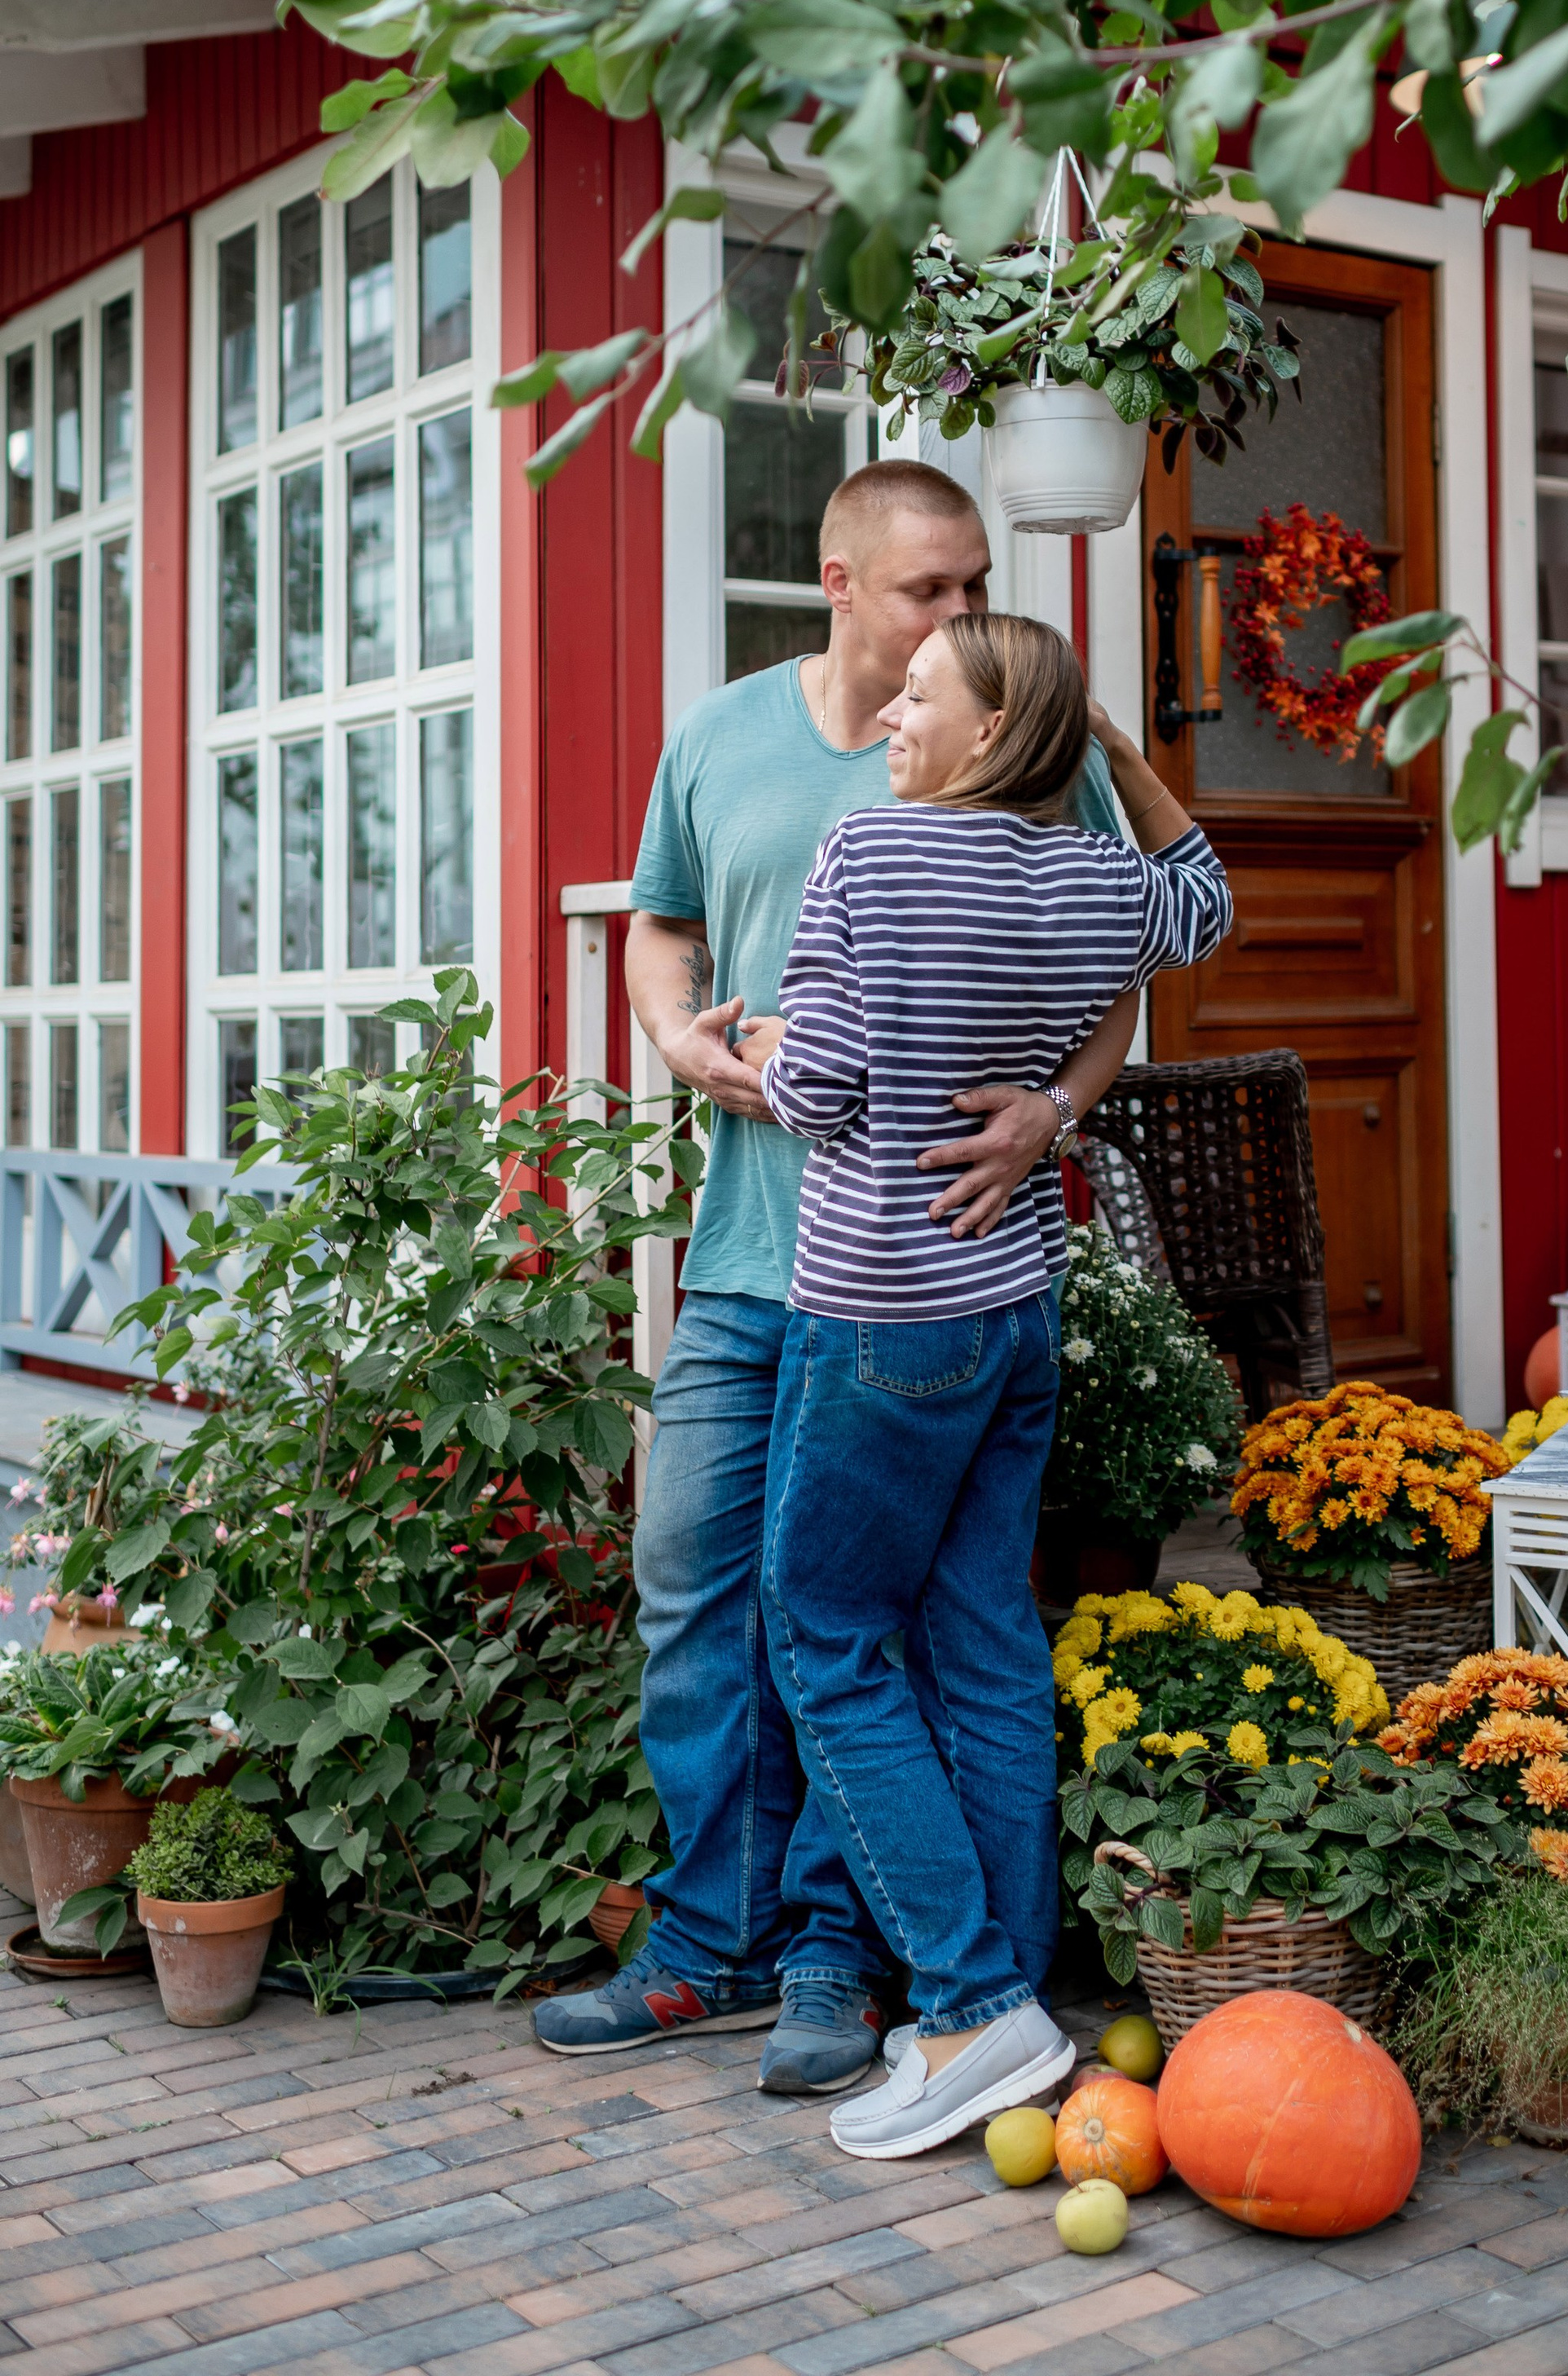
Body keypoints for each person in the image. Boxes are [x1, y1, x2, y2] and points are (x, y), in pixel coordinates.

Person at [533, 461, 1143, 2087]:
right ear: (840, 582)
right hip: (749, 1252)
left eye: (972, 583)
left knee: (872, 1624)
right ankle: (707, 1941)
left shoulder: (1014, 744)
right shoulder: (723, 737)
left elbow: (1118, 973)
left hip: (929, 1267)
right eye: (930, 588)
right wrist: (675, 1035)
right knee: (693, 1583)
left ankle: (831, 1962)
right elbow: (660, 927)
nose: (961, 611)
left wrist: (1052, 1111)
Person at [736, 610, 1231, 2155]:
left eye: (923, 694)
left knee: (822, 1637)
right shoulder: (1099, 880)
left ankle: (964, 2007)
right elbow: (1205, 903)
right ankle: (1012, 1997)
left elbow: (815, 1086)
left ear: (990, 732)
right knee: (987, 1641)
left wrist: (739, 1039)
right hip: (1014, 1305)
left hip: (882, 1311)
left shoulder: (873, 856)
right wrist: (1120, 756)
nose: (891, 707)